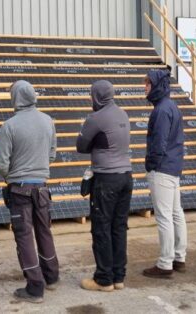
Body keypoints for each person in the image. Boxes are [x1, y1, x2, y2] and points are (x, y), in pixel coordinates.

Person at [0, 80, 60, 304]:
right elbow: (52, 154)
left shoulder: (10, 125)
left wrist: (10, 177)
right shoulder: (48, 121)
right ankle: (51, 276)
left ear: (15, 98)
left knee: (24, 237)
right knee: (44, 231)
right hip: (42, 188)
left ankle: (35, 287)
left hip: (19, 190)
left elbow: (0, 162)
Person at [76, 80, 133, 292]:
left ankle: (103, 280)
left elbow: (81, 146)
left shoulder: (95, 118)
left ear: (97, 96)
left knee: (101, 228)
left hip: (106, 180)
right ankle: (118, 277)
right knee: (119, 227)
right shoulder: (123, 114)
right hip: (126, 177)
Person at [142, 70, 187, 279]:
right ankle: (179, 257)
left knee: (164, 216)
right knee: (176, 213)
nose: (145, 87)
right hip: (173, 167)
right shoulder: (172, 106)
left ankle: (165, 263)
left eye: (147, 84)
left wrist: (151, 165)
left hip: (162, 169)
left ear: (157, 85)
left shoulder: (161, 110)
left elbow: (158, 144)